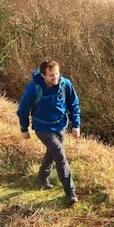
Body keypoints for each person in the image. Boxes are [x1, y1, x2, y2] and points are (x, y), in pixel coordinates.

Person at [17, 59, 81, 205]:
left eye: (57, 74)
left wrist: (76, 125)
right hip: (42, 127)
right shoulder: (34, 88)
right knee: (60, 154)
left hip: (61, 126)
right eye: (51, 75)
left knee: (52, 153)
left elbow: (74, 104)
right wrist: (24, 129)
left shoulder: (65, 84)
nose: (56, 78)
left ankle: (41, 177)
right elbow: (22, 110)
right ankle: (70, 193)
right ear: (43, 75)